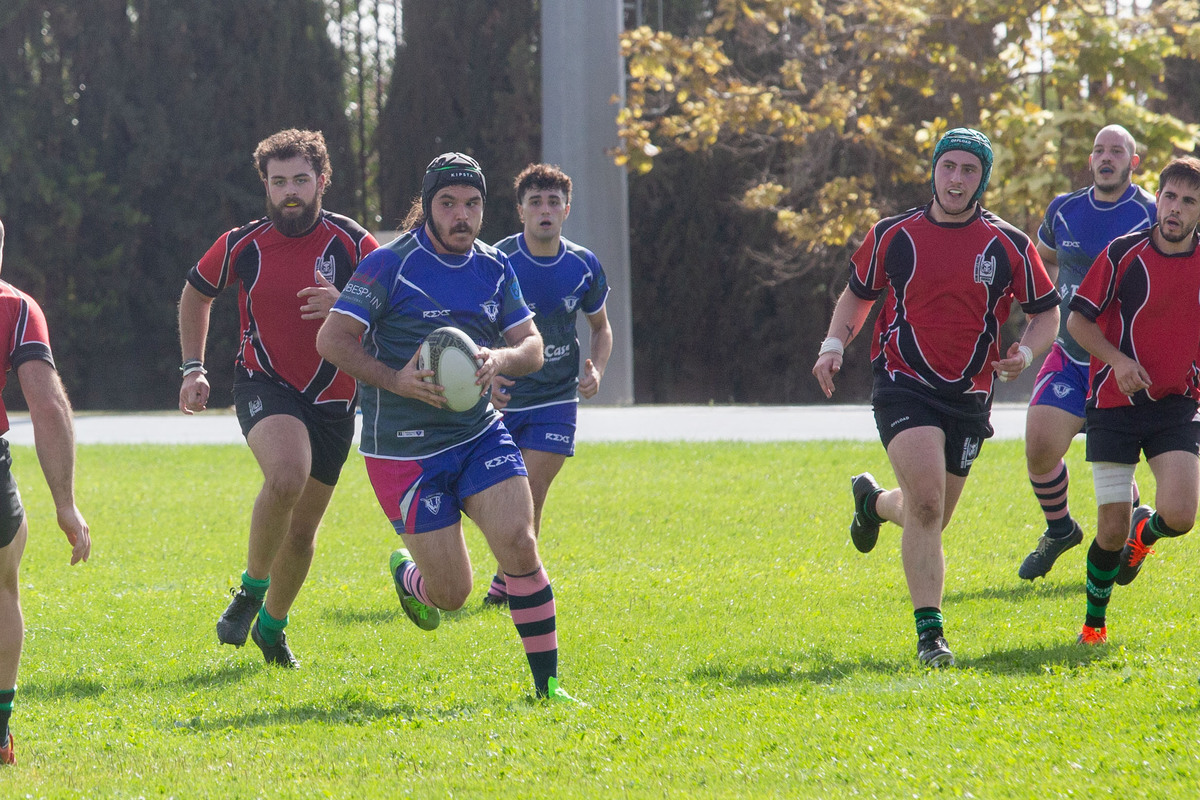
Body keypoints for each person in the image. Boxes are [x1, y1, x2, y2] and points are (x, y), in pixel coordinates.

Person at [316, 152, 578, 702]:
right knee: (452, 595)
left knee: (519, 543)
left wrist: (499, 361)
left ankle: (547, 688)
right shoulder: (390, 265)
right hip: (403, 452)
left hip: (478, 434)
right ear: (427, 208)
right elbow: (332, 340)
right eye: (449, 204)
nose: (462, 215)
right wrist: (397, 380)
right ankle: (411, 577)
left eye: (473, 204)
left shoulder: (494, 266)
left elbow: (531, 346)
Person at [811, 128, 1060, 667]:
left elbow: (1046, 312)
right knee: (926, 502)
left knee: (933, 515)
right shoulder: (893, 234)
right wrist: (834, 345)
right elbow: (858, 295)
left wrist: (1026, 352)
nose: (957, 178)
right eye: (949, 166)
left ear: (982, 180)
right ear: (934, 171)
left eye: (969, 170)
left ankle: (872, 503)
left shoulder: (1008, 244)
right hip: (903, 383)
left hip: (970, 393)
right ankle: (931, 637)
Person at [178, 129, 379, 669]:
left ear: (321, 182)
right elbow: (196, 294)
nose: (290, 191)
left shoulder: (356, 244)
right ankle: (249, 590)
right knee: (287, 475)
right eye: (278, 181)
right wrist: (193, 367)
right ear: (265, 186)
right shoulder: (241, 244)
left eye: (300, 180)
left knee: (303, 532)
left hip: (336, 400)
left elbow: (394, 313)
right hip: (263, 384)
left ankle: (272, 626)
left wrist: (346, 303)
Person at [1065, 156, 1200, 645]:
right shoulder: (1123, 253)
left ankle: (1147, 537)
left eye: (1189, 201)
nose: (1176, 209)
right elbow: (1078, 322)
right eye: (1170, 197)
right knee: (1108, 532)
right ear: (1156, 198)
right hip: (1113, 405)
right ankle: (1093, 624)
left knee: (1182, 515)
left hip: (1175, 405)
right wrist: (1118, 361)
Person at [1016, 125, 1156, 581]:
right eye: (1099, 150)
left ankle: (1133, 526)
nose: (1106, 157)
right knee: (1039, 447)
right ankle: (1060, 530)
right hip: (1071, 354)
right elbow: (1044, 259)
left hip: (1121, 362)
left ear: (1133, 162)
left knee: (1112, 465)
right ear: (1090, 159)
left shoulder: (1152, 213)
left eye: (1117, 151)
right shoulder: (1064, 209)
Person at [481, 163, 612, 607]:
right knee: (500, 495)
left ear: (566, 210)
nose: (544, 210)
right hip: (506, 398)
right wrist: (490, 375)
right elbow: (475, 326)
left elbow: (601, 327)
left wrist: (596, 367)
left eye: (553, 202)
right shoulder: (496, 261)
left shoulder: (582, 265)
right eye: (535, 202)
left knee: (531, 491)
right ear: (520, 211)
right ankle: (511, 574)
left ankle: (508, 584)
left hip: (558, 397)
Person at [0, 218, 91, 765]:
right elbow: (48, 405)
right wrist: (65, 503)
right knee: (2, 591)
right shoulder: (15, 307)